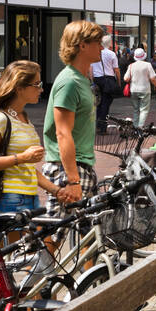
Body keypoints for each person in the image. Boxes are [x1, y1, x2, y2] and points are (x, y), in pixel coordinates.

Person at [0, 60, 59, 218]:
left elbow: (25, 168)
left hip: (29, 196)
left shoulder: (23, 118)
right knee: (14, 243)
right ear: (19, 88)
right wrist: (22, 157)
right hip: (8, 198)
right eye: (37, 84)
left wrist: (56, 190)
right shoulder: (0, 119)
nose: (41, 89)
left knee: (37, 241)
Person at [44, 21, 104, 221]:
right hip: (68, 169)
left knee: (90, 231)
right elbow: (62, 132)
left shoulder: (82, 79)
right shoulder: (69, 81)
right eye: (98, 42)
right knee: (55, 233)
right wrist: (73, 180)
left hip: (81, 165)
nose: (102, 47)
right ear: (83, 45)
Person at [91, 34, 122, 131]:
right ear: (109, 43)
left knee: (97, 103)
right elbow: (116, 70)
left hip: (97, 79)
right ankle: (102, 127)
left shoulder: (95, 53)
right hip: (108, 79)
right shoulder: (111, 54)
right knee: (106, 104)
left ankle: (96, 125)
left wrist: (92, 81)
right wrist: (119, 82)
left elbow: (90, 69)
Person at [125, 46, 156, 127]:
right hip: (145, 90)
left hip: (134, 90)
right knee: (144, 110)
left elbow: (126, 78)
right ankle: (140, 127)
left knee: (136, 110)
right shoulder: (147, 65)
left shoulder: (131, 66)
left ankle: (136, 127)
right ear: (144, 56)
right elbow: (153, 78)